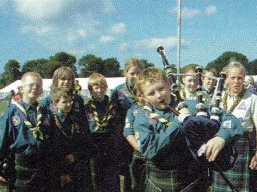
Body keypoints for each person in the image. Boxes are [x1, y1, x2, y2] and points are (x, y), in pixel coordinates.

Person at [133, 67, 243, 191]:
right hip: (159, 183)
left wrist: (221, 137)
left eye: (161, 88)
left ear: (169, 83)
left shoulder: (193, 106)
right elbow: (151, 151)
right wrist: (179, 122)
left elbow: (232, 120)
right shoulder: (142, 118)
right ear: (143, 97)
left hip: (192, 181)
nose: (158, 95)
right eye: (151, 93)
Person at [0, 72, 60, 191]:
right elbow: (1, 141)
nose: (35, 88)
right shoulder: (11, 113)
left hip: (43, 168)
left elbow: (54, 142)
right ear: (21, 88)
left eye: (38, 86)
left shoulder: (46, 113)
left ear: (41, 90)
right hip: (19, 169)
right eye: (31, 85)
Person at [213, 61, 257, 192]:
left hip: (242, 145)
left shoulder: (252, 98)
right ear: (226, 79)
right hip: (221, 145)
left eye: (240, 78)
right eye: (232, 78)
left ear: (244, 79)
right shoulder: (218, 97)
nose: (236, 81)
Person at [42, 66, 92, 191]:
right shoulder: (47, 100)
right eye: (62, 79)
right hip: (56, 148)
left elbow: (83, 126)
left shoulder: (78, 100)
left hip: (75, 147)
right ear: (56, 81)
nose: (66, 82)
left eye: (69, 79)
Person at [110, 58, 145, 191]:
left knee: (141, 167)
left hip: (142, 133)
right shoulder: (118, 91)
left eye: (138, 73)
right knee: (125, 169)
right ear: (125, 73)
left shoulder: (145, 88)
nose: (135, 76)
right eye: (132, 73)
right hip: (124, 135)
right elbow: (114, 115)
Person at [85, 73, 123, 192]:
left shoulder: (113, 106)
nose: (99, 90)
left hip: (110, 143)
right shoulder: (86, 107)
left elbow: (118, 126)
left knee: (112, 176)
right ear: (91, 90)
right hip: (93, 144)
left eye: (102, 87)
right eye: (96, 87)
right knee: (95, 176)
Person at [51, 89, 93, 192]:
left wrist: (75, 155)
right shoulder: (52, 123)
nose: (68, 104)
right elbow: (52, 149)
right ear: (56, 104)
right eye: (64, 102)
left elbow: (85, 144)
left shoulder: (75, 121)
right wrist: (62, 172)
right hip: (59, 170)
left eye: (70, 101)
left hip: (77, 167)